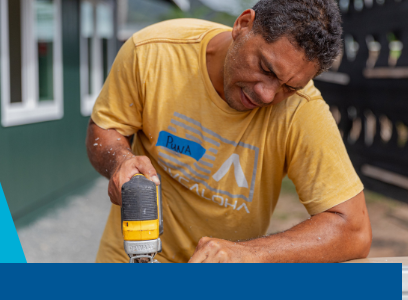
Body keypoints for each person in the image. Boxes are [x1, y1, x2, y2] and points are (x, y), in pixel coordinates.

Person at [86, 0, 369, 263]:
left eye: (289, 87)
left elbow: (353, 230)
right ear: (243, 25)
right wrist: (120, 160)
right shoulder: (152, 53)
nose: (267, 95)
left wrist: (249, 253)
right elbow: (106, 127)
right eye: (266, 69)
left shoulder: (301, 109)